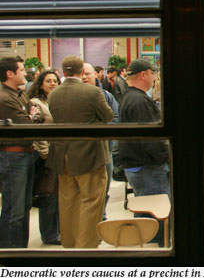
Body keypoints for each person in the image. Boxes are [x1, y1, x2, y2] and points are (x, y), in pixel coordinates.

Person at [47, 56, 114, 248]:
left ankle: (69, 245)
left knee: (67, 201)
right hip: (89, 154)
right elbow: (108, 115)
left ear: (63, 72)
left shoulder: (54, 94)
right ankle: (86, 248)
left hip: (62, 154)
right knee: (92, 201)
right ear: (81, 72)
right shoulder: (92, 92)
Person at [118, 59, 170, 247]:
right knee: (156, 214)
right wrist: (167, 158)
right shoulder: (140, 101)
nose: (155, 77)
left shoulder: (129, 97)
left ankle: (141, 242)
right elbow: (151, 140)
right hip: (148, 168)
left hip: (138, 166)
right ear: (143, 75)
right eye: (153, 73)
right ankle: (156, 249)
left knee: (144, 209)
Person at [0, 56, 39, 248]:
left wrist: (31, 116)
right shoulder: (4, 98)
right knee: (13, 209)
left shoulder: (19, 94)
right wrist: (30, 116)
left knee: (24, 207)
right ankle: (9, 255)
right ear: (10, 73)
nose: (26, 73)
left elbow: (34, 116)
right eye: (22, 70)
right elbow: (26, 123)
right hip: (13, 156)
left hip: (27, 153)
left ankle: (22, 251)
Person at [27, 69, 62, 245]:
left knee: (56, 195)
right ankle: (49, 234)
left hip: (57, 155)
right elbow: (36, 131)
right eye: (48, 81)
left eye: (55, 80)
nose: (52, 83)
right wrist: (45, 154)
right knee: (47, 195)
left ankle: (56, 230)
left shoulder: (56, 101)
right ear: (41, 84)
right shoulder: (35, 103)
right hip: (44, 156)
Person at [82, 63, 119, 222]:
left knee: (104, 189)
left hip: (105, 150)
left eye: (88, 74)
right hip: (83, 152)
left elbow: (116, 118)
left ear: (96, 75)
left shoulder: (106, 95)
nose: (84, 77)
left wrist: (101, 128)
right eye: (82, 74)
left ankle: (101, 218)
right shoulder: (76, 97)